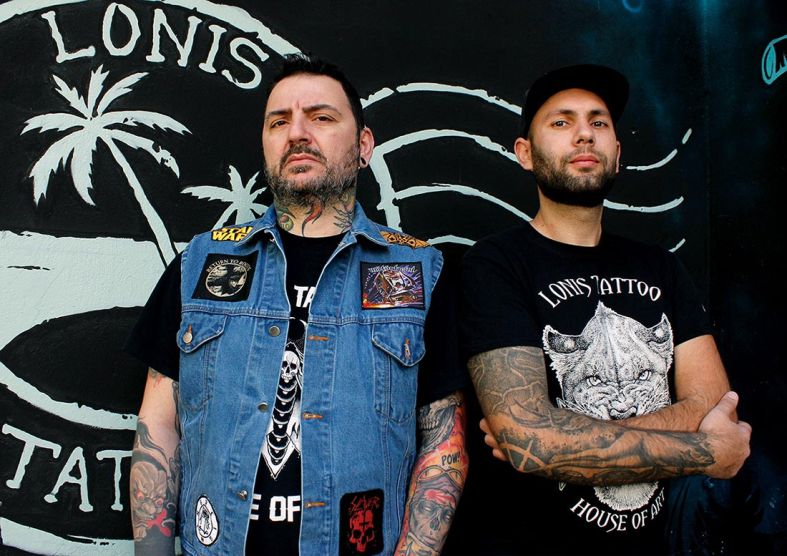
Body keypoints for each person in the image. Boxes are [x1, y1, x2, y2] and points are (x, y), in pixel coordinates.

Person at [126, 54, 468, 555]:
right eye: (279, 122)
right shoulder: (201, 264)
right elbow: (157, 427)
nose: (297, 134)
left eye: (321, 117)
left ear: (364, 145)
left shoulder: (418, 273)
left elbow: (443, 444)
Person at [457, 64, 751, 555]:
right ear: (525, 153)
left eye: (598, 122)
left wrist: (552, 439)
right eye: (561, 122)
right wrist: (706, 453)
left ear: (617, 153)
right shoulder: (494, 264)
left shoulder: (660, 266)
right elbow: (531, 439)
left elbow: (713, 405)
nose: (584, 135)